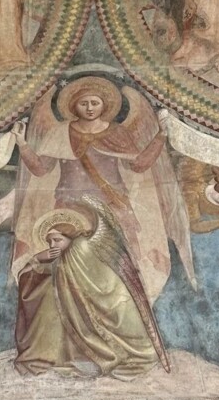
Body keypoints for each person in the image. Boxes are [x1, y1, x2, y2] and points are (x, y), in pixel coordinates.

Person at [12, 77, 193, 304]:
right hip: (70, 204)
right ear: (73, 106)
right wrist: (22, 143)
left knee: (120, 256)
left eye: (94, 103)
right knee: (72, 256)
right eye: (84, 103)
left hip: (112, 203)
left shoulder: (117, 133)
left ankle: (122, 302)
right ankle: (76, 303)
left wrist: (161, 136)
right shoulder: (60, 132)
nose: (89, 108)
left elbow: (139, 165)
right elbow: (40, 168)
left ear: (104, 105)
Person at [15, 205, 169, 379]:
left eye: (57, 240)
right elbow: (46, 274)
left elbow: (63, 273)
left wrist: (39, 259)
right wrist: (37, 259)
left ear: (70, 236)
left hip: (111, 304)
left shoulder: (79, 246)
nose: (52, 245)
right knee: (48, 295)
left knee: (51, 295)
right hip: (99, 303)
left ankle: (103, 357)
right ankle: (71, 356)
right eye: (49, 242)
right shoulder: (68, 254)